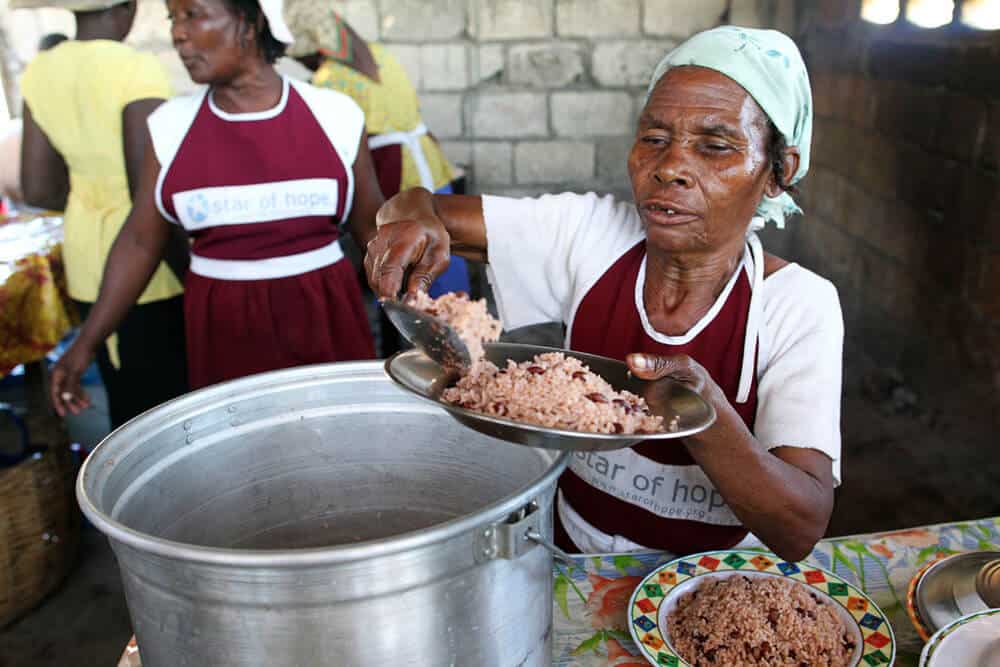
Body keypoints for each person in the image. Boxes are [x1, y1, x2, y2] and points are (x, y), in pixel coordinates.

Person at [366, 27, 843, 562]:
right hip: (574, 556)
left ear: (780, 170)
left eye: (714, 147)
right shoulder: (591, 234)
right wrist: (406, 223)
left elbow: (800, 526)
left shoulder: (798, 304)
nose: (670, 168)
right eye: (654, 139)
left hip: (710, 580)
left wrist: (701, 411)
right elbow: (418, 206)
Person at [50, 0, 383, 415]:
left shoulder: (335, 116)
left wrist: (425, 310)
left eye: (193, 14)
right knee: (243, 460)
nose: (177, 33)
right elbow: (140, 241)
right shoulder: (170, 127)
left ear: (251, 22)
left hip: (325, 317)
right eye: (174, 18)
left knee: (340, 446)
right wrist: (87, 342)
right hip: (223, 328)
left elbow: (373, 229)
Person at [18, 0, 188, 428]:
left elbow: (38, 187)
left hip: (84, 258)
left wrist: (90, 192)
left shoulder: (42, 69)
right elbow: (146, 189)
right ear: (128, 8)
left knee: (123, 399)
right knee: (164, 409)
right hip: (144, 260)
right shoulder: (135, 68)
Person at [283, 3, 469, 355]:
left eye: (304, 57)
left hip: (391, 176)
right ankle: (461, 334)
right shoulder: (382, 54)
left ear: (315, 50)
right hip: (428, 167)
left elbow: (334, 143)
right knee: (444, 249)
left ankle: (410, 351)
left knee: (397, 262)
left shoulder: (329, 80)